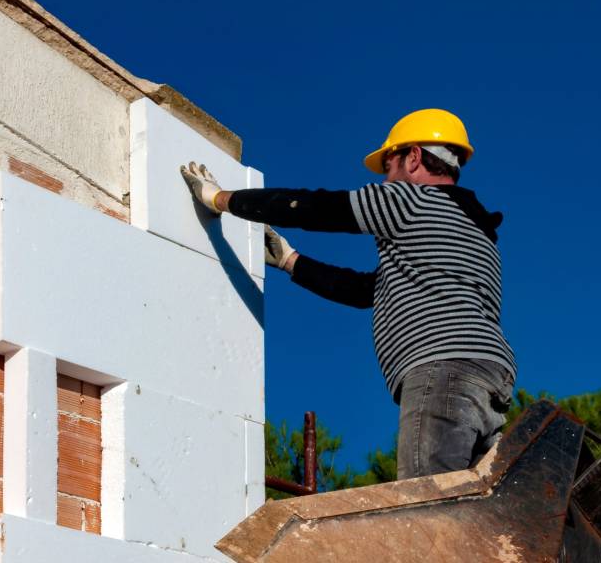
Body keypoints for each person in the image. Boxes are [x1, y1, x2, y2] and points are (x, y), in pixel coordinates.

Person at [181, 108, 516, 480]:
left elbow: (315, 208)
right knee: (473, 511)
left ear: (414, 157)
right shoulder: (476, 232)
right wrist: (290, 260)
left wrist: (221, 199)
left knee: (428, 503)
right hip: (489, 379)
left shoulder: (410, 201)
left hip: (442, 370)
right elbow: (366, 291)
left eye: (388, 168)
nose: (386, 180)